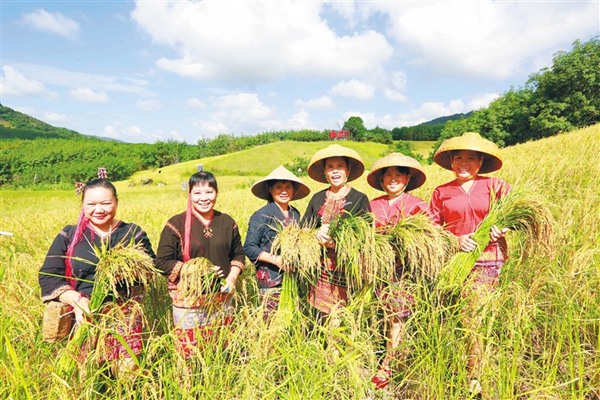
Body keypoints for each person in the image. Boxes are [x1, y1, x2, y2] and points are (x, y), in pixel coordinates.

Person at [39, 176, 155, 374]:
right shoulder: (69, 235)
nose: (98, 209)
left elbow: (150, 267)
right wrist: (77, 301)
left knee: (127, 375)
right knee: (84, 376)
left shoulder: (132, 233)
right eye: (91, 204)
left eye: (106, 203)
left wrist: (127, 270)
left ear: (116, 202)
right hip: (83, 316)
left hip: (124, 317)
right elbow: (49, 275)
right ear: (83, 204)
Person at [429, 132, 510, 394]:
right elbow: (433, 228)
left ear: (480, 163)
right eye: (459, 158)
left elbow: (514, 212)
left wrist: (503, 227)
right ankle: (471, 362)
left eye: (471, 158)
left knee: (473, 313)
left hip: (489, 257)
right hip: (455, 260)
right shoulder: (442, 191)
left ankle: (475, 375)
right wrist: (455, 240)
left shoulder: (495, 185)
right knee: (460, 315)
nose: (464, 163)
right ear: (451, 162)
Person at [155, 171, 246, 359]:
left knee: (222, 350)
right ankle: (188, 388)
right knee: (189, 354)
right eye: (197, 193)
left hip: (223, 299)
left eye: (209, 192)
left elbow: (238, 254)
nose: (203, 198)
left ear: (217, 193)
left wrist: (231, 278)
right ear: (189, 195)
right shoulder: (175, 224)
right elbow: (162, 262)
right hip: (188, 302)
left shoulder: (227, 222)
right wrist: (194, 270)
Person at [366, 153, 429, 390]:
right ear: (382, 181)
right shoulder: (373, 204)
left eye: (398, 175)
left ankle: (387, 366)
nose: (392, 179)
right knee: (382, 316)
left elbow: (429, 237)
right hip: (377, 270)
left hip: (404, 272)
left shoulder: (417, 205)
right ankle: (393, 356)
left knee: (396, 318)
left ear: (407, 178)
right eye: (388, 175)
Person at [301, 144, 370, 316]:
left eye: (340, 166)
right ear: (325, 173)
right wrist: (315, 234)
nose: (335, 171)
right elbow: (303, 229)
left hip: (347, 268)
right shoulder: (317, 198)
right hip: (320, 268)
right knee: (322, 315)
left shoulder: (359, 198)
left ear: (348, 171)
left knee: (343, 316)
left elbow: (367, 236)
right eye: (330, 167)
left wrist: (337, 242)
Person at [243, 166, 311, 319]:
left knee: (292, 321)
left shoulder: (295, 213)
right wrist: (277, 260)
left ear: (293, 190)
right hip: (271, 280)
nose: (284, 191)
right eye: (279, 187)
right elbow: (249, 247)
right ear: (270, 189)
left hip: (293, 277)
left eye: (288, 186)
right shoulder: (262, 215)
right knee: (273, 323)